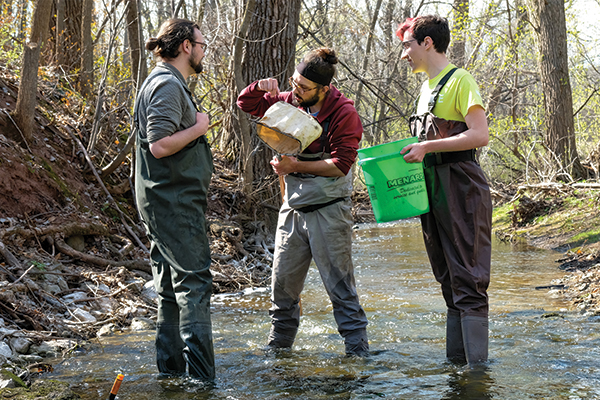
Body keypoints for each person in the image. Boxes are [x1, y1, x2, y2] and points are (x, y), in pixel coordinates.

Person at [236, 48, 369, 356]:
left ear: (324, 89)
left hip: (330, 211)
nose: (296, 91)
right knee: (281, 288)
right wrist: (258, 87)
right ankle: (278, 356)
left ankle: (358, 359)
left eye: (304, 88)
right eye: (294, 83)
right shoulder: (289, 101)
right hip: (293, 209)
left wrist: (294, 167)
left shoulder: (343, 113)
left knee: (341, 291)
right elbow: (247, 103)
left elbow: (341, 164)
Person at [397, 15, 492, 366]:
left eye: (407, 45)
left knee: (469, 275)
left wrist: (427, 148)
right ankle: (456, 368)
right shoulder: (425, 89)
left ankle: (477, 376)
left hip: (462, 186)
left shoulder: (460, 80)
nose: (403, 54)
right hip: (432, 189)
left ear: (427, 43)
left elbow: (480, 135)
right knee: (448, 277)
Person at [134, 18, 215, 380]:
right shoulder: (167, 85)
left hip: (162, 200)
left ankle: (172, 378)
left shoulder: (166, 81)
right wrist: (199, 127)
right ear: (186, 46)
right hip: (173, 203)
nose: (202, 52)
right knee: (194, 285)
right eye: (201, 45)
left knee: (169, 288)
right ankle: (202, 383)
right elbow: (159, 144)